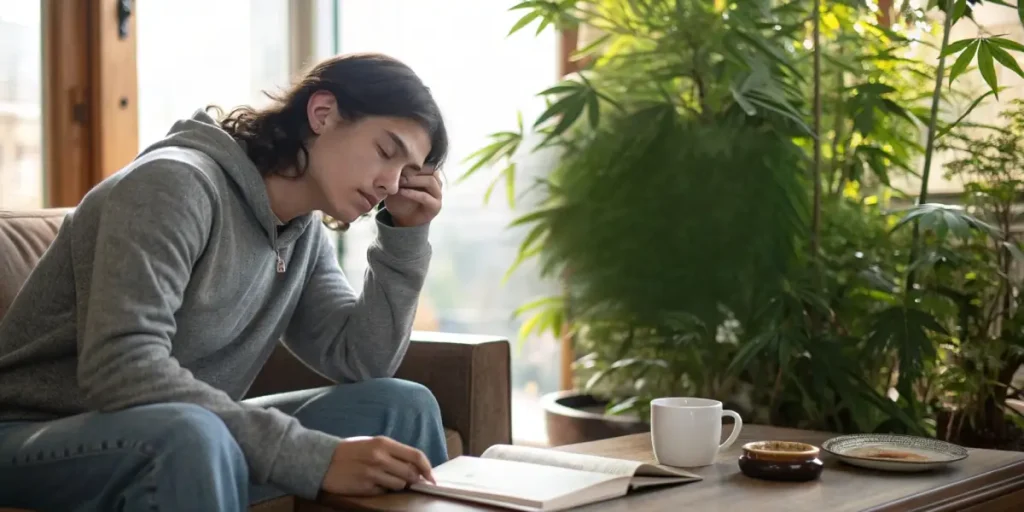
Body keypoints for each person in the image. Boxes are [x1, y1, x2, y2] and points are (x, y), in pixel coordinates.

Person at [0, 52, 450, 510]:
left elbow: (361, 362)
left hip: (187, 435)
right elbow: (121, 369)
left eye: (407, 172)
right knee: (191, 434)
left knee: (400, 406)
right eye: (386, 152)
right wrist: (306, 455)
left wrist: (405, 237)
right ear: (323, 113)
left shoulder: (299, 232)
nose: (390, 186)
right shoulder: (175, 185)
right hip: (32, 435)